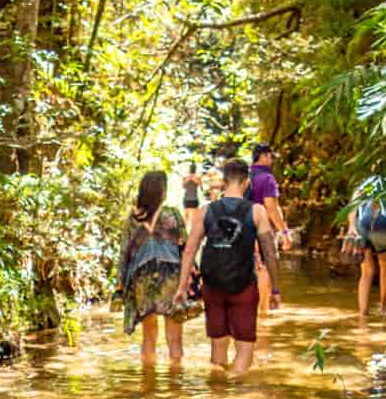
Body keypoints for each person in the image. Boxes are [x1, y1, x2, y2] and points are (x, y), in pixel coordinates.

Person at [175, 158, 282, 375]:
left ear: (224, 181)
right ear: (247, 182)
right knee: (244, 347)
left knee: (218, 347)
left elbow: (189, 250)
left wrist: (182, 286)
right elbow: (270, 253)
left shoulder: (205, 211)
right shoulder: (257, 211)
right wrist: (275, 288)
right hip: (243, 285)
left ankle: (219, 392)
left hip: (213, 285)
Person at [115, 170, 187, 365]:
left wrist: (119, 285)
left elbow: (124, 254)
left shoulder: (133, 218)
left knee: (148, 336)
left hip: (142, 279)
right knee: (175, 337)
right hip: (170, 277)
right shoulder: (172, 215)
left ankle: (149, 384)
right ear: (162, 191)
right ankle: (176, 383)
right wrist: (192, 276)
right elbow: (184, 247)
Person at [347, 177, 386, 319]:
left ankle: (362, 313)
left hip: (362, 225)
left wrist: (352, 226)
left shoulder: (368, 181)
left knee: (366, 271)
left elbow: (353, 202)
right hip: (381, 226)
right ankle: (383, 307)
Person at [248, 143, 290, 315]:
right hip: (261, 228)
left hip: (239, 228)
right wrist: (284, 233)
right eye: (271, 157)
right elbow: (272, 208)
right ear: (263, 156)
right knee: (264, 267)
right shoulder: (267, 179)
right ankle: (263, 312)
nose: (272, 161)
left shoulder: (243, 175)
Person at [182, 162, 203, 238]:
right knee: (186, 218)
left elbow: (201, 187)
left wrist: (196, 180)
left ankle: (191, 236)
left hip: (194, 199)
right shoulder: (185, 177)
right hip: (187, 199)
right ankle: (184, 235)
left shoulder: (197, 178)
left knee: (193, 219)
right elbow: (183, 186)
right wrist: (188, 179)